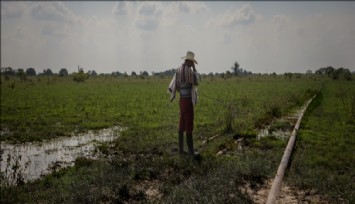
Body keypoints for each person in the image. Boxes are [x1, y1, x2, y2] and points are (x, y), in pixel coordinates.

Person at [168, 51, 199, 156]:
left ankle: (181, 150)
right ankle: (191, 152)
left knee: (182, 123)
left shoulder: (178, 70)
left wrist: (183, 91)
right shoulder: (189, 72)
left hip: (181, 100)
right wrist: (194, 69)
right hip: (187, 101)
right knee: (189, 123)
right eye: (192, 63)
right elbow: (197, 81)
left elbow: (175, 86)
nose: (192, 64)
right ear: (190, 61)